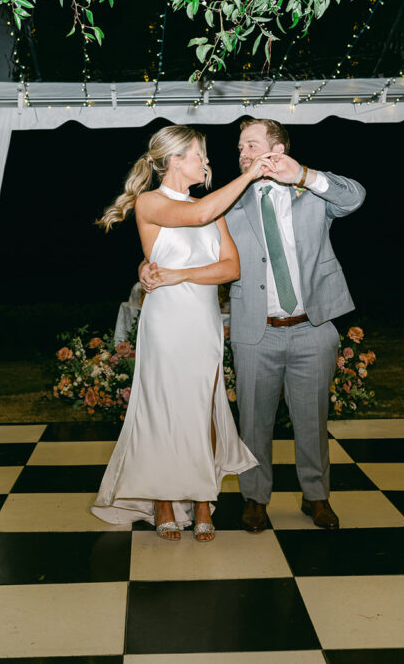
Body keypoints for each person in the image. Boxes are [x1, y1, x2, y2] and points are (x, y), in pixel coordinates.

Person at [143, 118, 366, 532]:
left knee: (312, 421)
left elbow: (355, 197)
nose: (242, 153)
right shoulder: (230, 203)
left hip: (313, 327)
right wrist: (148, 264)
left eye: (251, 145)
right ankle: (254, 500)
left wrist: (302, 174)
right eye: (240, 147)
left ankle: (316, 497)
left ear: (276, 149)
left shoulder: (312, 194)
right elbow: (187, 240)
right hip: (254, 330)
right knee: (253, 423)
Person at [91, 125, 271, 542]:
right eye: (198, 154)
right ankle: (163, 501)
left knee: (202, 408)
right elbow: (196, 216)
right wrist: (249, 174)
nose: (206, 162)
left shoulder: (212, 208)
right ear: (173, 161)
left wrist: (180, 274)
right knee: (163, 409)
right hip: (166, 322)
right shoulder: (150, 202)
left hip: (203, 320)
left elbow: (232, 267)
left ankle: (203, 499)